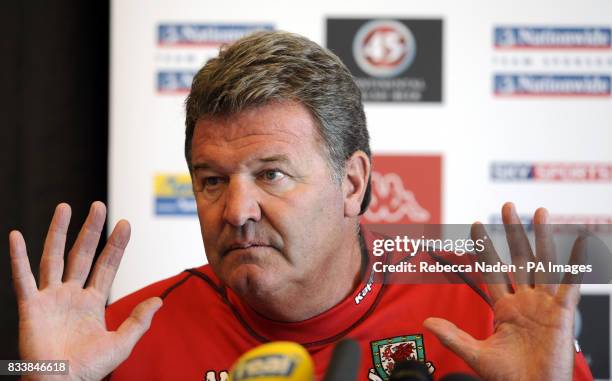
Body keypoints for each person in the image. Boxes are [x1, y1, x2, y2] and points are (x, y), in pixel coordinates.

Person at [8, 31, 592, 381]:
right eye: (212, 180)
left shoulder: (484, 317)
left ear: (353, 183)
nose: (237, 210)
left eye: (272, 175)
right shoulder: (122, 334)